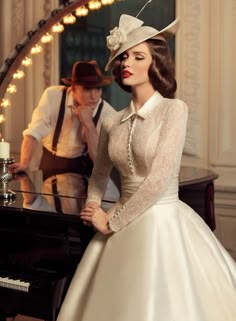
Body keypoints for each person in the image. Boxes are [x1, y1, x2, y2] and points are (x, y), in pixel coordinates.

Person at [56, 14, 236, 321]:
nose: (128, 62)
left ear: (155, 64)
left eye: (139, 56)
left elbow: (158, 179)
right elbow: (99, 175)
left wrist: (110, 223)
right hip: (115, 220)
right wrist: (93, 206)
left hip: (162, 222)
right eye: (125, 56)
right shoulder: (113, 121)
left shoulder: (173, 110)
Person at [10, 60, 116, 178]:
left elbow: (100, 161)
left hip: (84, 168)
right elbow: (33, 133)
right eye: (87, 89)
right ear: (74, 88)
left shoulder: (107, 113)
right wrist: (24, 163)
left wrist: (89, 124)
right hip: (51, 163)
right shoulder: (53, 96)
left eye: (98, 89)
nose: (94, 96)